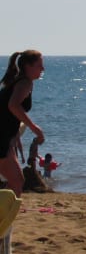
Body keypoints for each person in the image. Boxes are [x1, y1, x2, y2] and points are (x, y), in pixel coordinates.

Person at [0, 50, 44, 197]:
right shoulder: (25, 82)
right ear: (27, 66)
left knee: (15, 182)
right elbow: (13, 106)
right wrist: (34, 128)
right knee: (17, 182)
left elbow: (6, 113)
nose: (42, 69)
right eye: (39, 65)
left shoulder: (17, 81)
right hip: (1, 138)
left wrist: (16, 135)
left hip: (5, 137)